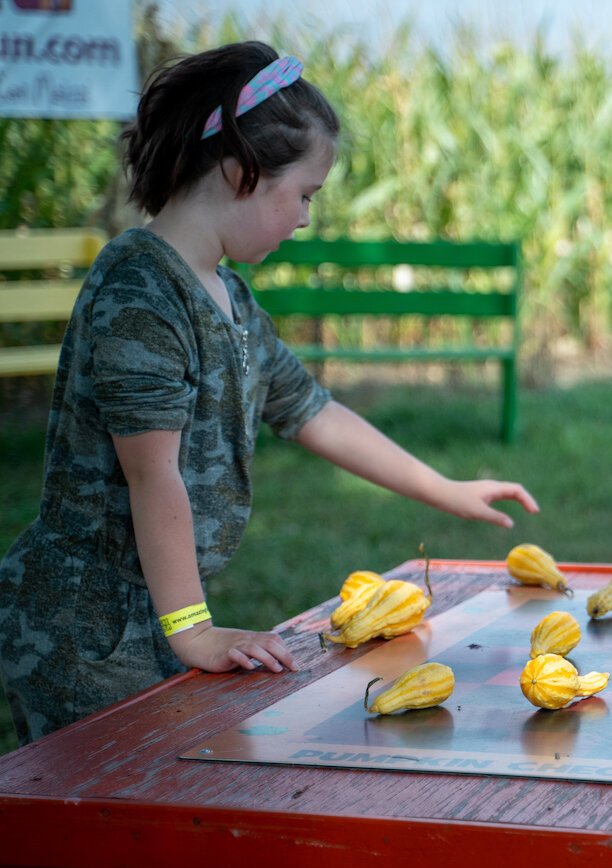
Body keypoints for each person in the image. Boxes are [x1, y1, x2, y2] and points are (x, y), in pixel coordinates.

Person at [0, 41, 538, 748]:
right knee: (111, 820)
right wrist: (193, 632)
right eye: (305, 195)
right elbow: (151, 473)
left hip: (154, 608)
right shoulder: (139, 291)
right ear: (241, 173)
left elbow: (311, 411)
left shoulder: (230, 297)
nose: (308, 218)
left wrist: (446, 488)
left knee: (164, 810)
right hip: (85, 626)